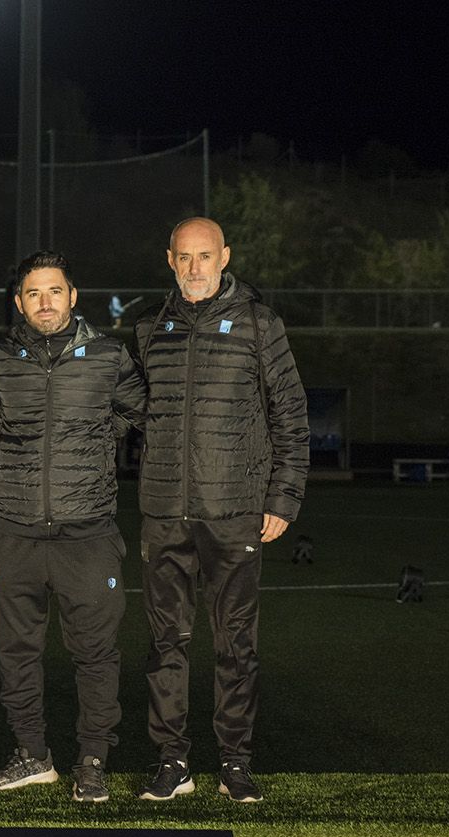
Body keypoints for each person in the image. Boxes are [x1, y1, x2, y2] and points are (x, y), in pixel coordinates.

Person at [134, 217, 309, 803]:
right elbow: (132, 413)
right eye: (184, 257)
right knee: (166, 643)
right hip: (164, 512)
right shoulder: (148, 327)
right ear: (169, 259)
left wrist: (283, 496)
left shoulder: (260, 324)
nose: (194, 267)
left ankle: (235, 761)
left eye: (204, 256)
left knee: (235, 645)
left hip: (234, 511)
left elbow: (290, 413)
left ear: (225, 256)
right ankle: (172, 760)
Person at [0, 251, 145, 801]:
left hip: (87, 534)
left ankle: (92, 759)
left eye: (55, 291)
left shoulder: (106, 355)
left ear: (72, 296)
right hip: (14, 532)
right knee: (15, 653)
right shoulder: (0, 357)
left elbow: (136, 408)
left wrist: (96, 437)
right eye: (33, 293)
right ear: (19, 302)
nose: (45, 302)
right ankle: (32, 755)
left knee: (95, 654)